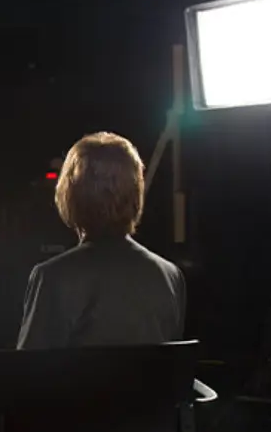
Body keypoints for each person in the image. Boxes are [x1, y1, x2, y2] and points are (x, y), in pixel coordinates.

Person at [18, 133, 185, 349]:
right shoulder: (170, 276)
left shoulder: (51, 277)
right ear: (136, 191)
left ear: (70, 194)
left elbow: (28, 367)